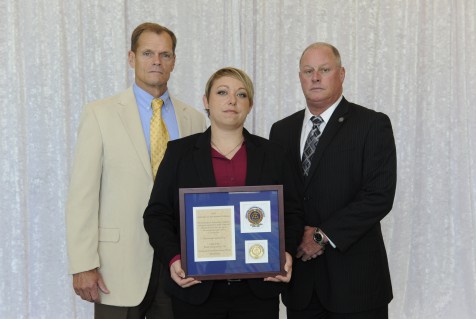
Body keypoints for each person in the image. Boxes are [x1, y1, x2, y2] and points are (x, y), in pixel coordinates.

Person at [65, 22, 206, 318]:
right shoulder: (100, 114)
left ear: (174, 61)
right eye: (148, 53)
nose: (157, 61)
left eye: (165, 54)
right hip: (115, 269)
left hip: (177, 265)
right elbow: (83, 194)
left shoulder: (193, 119)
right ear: (131, 58)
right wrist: (82, 264)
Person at [143, 67, 304, 319]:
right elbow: (156, 215)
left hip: (258, 289)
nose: (232, 100)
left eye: (241, 95)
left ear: (249, 105)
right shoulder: (179, 154)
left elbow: (293, 212)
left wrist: (286, 252)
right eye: (222, 92)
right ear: (206, 101)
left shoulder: (274, 154)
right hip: (196, 290)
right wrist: (174, 258)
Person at [269, 42, 397, 319]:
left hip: (356, 283)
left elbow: (379, 195)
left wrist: (320, 236)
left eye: (324, 70)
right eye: (308, 70)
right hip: (301, 285)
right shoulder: (281, 131)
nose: (315, 77)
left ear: (341, 74)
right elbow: (276, 196)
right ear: (300, 76)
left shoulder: (372, 124)